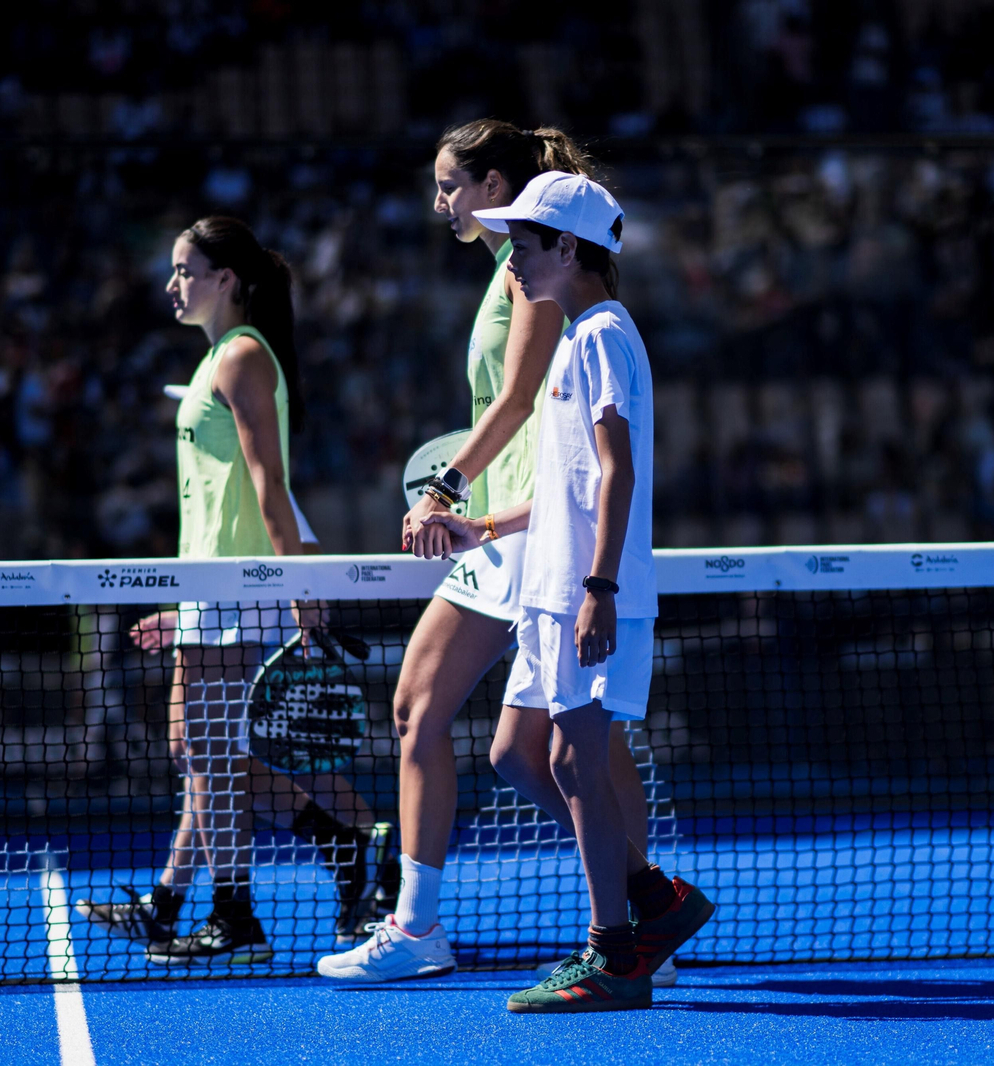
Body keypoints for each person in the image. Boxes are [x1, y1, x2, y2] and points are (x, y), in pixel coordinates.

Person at [316, 121, 670, 984]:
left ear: (497, 185)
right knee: (529, 743)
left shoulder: (556, 297)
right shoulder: (523, 271)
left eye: (451, 186)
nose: (441, 204)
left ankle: (614, 930)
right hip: (523, 528)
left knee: (560, 741)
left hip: (548, 543)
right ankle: (634, 917)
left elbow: (517, 406)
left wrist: (448, 489)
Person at [422, 172, 713, 1012]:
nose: (511, 253)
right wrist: (486, 527)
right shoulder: (578, 336)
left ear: (570, 249)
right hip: (554, 587)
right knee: (527, 754)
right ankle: (653, 904)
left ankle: (614, 954)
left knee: (575, 761)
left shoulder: (600, 335)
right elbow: (567, 486)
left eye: (525, 238)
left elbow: (619, 471)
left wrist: (599, 587)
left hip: (588, 591)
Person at [74, 217, 388, 964]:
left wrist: (298, 586)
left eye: (185, 270)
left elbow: (268, 488)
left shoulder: (244, 356)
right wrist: (180, 601)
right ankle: (324, 848)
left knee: (203, 754)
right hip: (209, 587)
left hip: (239, 587)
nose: (171, 285)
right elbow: (219, 501)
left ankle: (237, 918)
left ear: (227, 280)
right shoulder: (221, 356)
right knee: (202, 752)